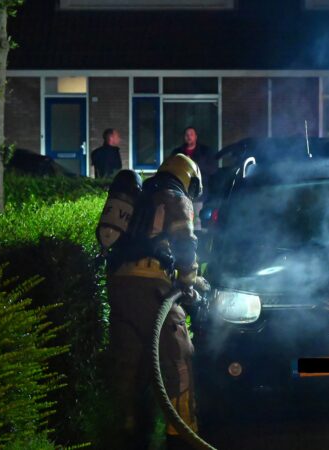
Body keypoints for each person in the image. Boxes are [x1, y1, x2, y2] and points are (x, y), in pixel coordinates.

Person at [105, 154, 208, 449]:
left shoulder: (140, 196)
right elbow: (185, 243)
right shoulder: (175, 197)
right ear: (187, 178)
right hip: (151, 287)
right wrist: (188, 279)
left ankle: (128, 431)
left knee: (128, 361)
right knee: (178, 356)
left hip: (118, 284)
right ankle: (182, 434)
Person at [171, 127, 217, 192]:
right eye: (186, 135)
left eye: (191, 134)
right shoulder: (177, 152)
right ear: (184, 137)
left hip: (200, 189)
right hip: (182, 189)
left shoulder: (205, 151)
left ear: (196, 137)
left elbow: (213, 169)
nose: (189, 137)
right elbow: (171, 169)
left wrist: (193, 163)